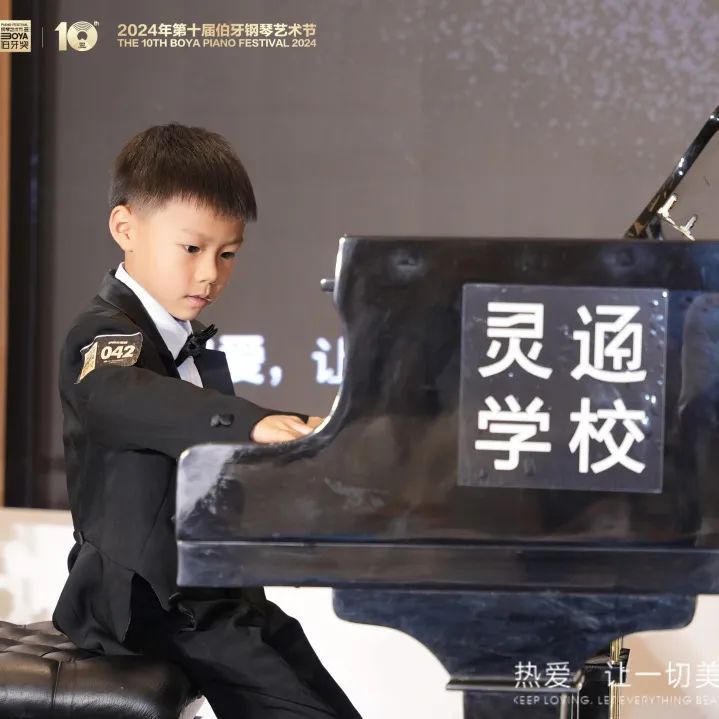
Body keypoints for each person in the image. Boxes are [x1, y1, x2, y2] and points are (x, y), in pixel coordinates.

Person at [52, 123, 362, 719]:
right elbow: (122, 395)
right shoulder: (104, 332)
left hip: (213, 590)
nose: (209, 274)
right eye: (191, 249)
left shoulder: (181, 338)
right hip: (147, 598)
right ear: (125, 229)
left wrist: (318, 433)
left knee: (314, 685)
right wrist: (252, 425)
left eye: (227, 254)